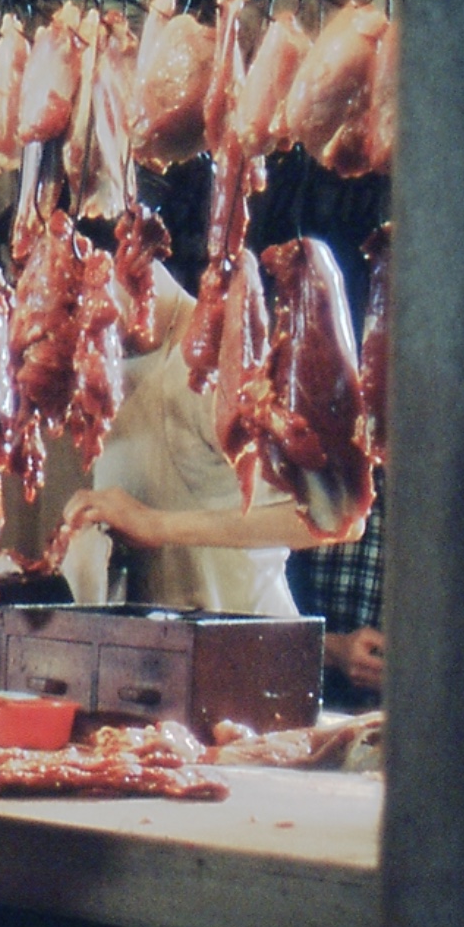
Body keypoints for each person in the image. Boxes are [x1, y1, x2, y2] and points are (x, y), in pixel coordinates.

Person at [56, 265, 353, 614]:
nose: (67, 330)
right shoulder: (108, 360)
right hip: (155, 650)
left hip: (241, 651)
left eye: (73, 306)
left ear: (126, 261)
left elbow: (337, 518)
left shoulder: (214, 362)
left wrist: (157, 525)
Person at [289, 470, 385, 709]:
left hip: (418, 724)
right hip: (303, 706)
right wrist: (332, 648)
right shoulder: (317, 473)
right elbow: (251, 611)